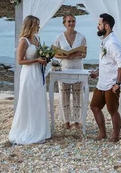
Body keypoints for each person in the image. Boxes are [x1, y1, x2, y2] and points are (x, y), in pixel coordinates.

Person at [8, 15, 51, 145]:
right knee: (29, 100)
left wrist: (44, 59)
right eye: (37, 24)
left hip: (38, 73)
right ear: (31, 25)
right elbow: (20, 61)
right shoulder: (24, 41)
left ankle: (40, 130)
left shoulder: (37, 38)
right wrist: (36, 60)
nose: (39, 26)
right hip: (29, 74)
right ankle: (28, 129)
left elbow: (40, 54)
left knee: (38, 99)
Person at [89, 13, 121, 142]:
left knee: (113, 110)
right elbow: (107, 61)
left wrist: (117, 83)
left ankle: (115, 136)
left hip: (111, 83)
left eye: (99, 24)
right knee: (94, 106)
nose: (97, 26)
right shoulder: (105, 41)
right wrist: (98, 73)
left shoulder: (113, 43)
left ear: (107, 26)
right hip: (102, 82)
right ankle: (102, 133)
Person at [53, 14, 87, 129]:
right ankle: (66, 121)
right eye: (69, 21)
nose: (71, 23)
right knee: (64, 94)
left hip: (77, 68)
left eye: (73, 21)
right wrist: (65, 56)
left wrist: (77, 54)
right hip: (64, 68)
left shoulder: (81, 37)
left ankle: (77, 121)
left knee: (78, 94)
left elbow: (85, 54)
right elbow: (55, 53)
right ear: (64, 23)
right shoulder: (59, 37)